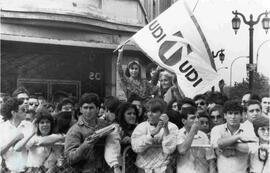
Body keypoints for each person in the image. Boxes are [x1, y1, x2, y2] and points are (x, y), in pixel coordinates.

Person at [65, 93, 117, 173]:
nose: (88, 111)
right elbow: (70, 158)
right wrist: (84, 146)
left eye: (91, 108)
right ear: (81, 109)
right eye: (85, 108)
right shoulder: (75, 130)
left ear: (97, 109)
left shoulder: (104, 124)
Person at [131, 98, 178, 173]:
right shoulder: (141, 126)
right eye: (148, 111)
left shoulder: (172, 127)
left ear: (162, 113)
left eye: (154, 111)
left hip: (164, 168)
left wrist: (165, 128)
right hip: (143, 167)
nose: (150, 114)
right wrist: (152, 134)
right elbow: (136, 148)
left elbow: (169, 150)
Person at [210, 100, 256, 173]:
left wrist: (228, 143)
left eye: (236, 113)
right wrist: (238, 137)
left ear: (241, 115)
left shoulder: (249, 129)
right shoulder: (217, 129)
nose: (233, 117)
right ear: (225, 115)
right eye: (230, 113)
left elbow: (251, 148)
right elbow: (219, 144)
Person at [0, 97, 35, 172]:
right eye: (22, 110)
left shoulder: (29, 125)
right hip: (7, 169)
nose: (26, 112)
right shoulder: (2, 128)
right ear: (13, 112)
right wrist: (14, 139)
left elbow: (31, 146)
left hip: (26, 170)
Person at [176, 107, 216, 173]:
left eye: (197, 117)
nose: (197, 120)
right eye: (193, 118)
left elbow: (210, 159)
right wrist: (193, 131)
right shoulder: (178, 134)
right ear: (184, 121)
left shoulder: (203, 135)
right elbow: (182, 150)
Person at [105, 102, 139, 173]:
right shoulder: (116, 128)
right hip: (120, 168)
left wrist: (133, 141)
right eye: (129, 113)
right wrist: (116, 166)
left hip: (136, 166)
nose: (132, 116)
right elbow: (111, 146)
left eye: (134, 113)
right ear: (122, 115)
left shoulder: (138, 128)